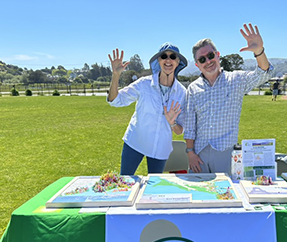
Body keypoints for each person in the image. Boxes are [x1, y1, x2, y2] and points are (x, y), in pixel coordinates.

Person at [183, 23, 272, 175]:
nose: (208, 62)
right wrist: (190, 153)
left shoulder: (236, 80)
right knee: (200, 195)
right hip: (199, 154)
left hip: (226, 152)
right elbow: (190, 125)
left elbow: (264, 73)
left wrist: (259, 52)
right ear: (198, 65)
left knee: (227, 195)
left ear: (218, 55)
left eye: (210, 56)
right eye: (202, 60)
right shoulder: (193, 88)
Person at [107, 43, 187, 175]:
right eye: (164, 56)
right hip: (135, 142)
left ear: (178, 62)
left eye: (173, 57)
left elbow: (179, 131)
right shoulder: (143, 84)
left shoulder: (182, 93)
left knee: (154, 190)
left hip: (160, 148)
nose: (168, 60)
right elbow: (115, 100)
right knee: (125, 181)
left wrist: (172, 122)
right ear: (158, 61)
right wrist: (115, 75)